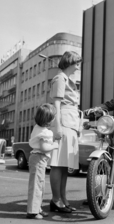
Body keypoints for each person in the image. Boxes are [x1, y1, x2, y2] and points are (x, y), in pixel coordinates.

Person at [49, 51, 82, 213]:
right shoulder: (60, 79)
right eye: (76, 63)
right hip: (63, 122)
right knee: (57, 163)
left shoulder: (68, 80)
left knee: (63, 165)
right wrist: (57, 126)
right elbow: (56, 104)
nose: (78, 66)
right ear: (69, 62)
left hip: (71, 123)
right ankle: (56, 199)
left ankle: (62, 198)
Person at [26, 103, 58, 220]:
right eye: (54, 117)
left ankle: (37, 208)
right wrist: (54, 145)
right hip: (39, 158)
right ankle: (33, 211)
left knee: (39, 185)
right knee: (36, 185)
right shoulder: (46, 133)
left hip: (37, 158)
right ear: (48, 121)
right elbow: (44, 148)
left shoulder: (37, 128)